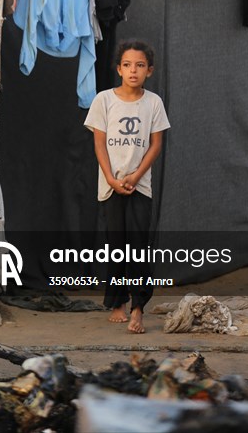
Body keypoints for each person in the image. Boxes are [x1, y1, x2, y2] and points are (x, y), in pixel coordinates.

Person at [84, 40, 170, 334]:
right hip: (110, 186)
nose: (134, 71)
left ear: (150, 70)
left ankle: (138, 307)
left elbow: (156, 144)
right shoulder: (104, 100)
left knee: (138, 248)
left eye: (140, 65)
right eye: (128, 65)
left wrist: (135, 176)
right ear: (119, 68)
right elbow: (98, 142)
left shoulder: (153, 103)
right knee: (116, 246)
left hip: (139, 187)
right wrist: (110, 177)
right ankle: (117, 303)